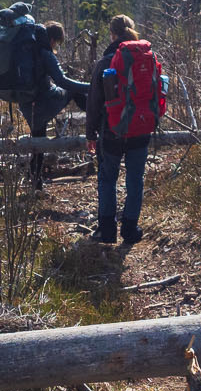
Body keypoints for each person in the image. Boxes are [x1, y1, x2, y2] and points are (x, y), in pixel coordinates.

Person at [86, 14, 161, 246]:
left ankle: (107, 231)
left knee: (108, 178)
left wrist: (90, 134)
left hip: (112, 131)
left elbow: (94, 103)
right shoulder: (148, 57)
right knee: (135, 179)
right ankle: (130, 229)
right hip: (141, 128)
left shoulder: (105, 62)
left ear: (112, 34)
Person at [20, 16, 89, 187]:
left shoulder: (26, 51)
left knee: (38, 138)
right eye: (57, 42)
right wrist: (91, 87)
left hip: (27, 105)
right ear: (52, 39)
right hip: (43, 103)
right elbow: (63, 82)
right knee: (73, 90)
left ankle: (36, 183)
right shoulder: (45, 54)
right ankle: (100, 120)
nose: (56, 46)